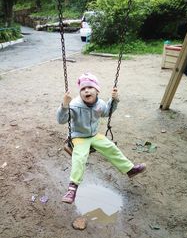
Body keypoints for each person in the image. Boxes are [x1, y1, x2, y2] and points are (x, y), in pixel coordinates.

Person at [57, 73, 146, 204]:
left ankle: (129, 169)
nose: (86, 90)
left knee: (111, 148)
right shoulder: (74, 105)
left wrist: (114, 100)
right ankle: (72, 187)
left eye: (90, 87)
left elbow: (107, 112)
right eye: (82, 89)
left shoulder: (100, 104)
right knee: (80, 156)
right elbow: (61, 120)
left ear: (97, 90)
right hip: (79, 137)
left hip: (94, 135)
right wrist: (64, 106)